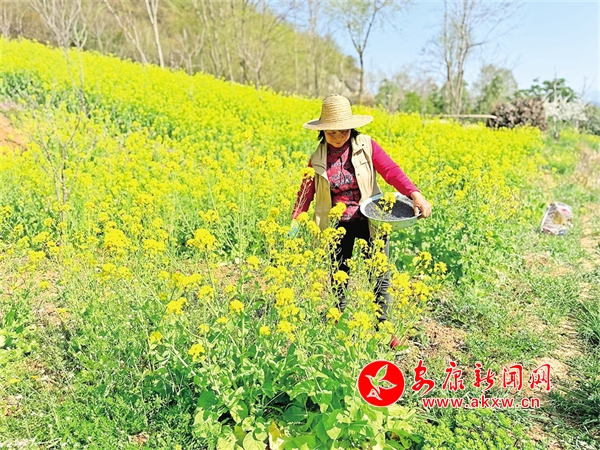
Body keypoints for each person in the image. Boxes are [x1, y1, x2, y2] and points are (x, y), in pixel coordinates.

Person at [291, 94, 432, 347]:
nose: (337, 137)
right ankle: (337, 321)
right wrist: (296, 219)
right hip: (337, 224)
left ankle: (384, 328)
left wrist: (415, 194)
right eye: (331, 132)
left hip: (371, 219)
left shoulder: (366, 145)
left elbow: (391, 171)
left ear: (351, 127)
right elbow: (306, 190)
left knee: (379, 274)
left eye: (343, 131)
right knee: (338, 274)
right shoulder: (318, 157)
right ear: (322, 131)